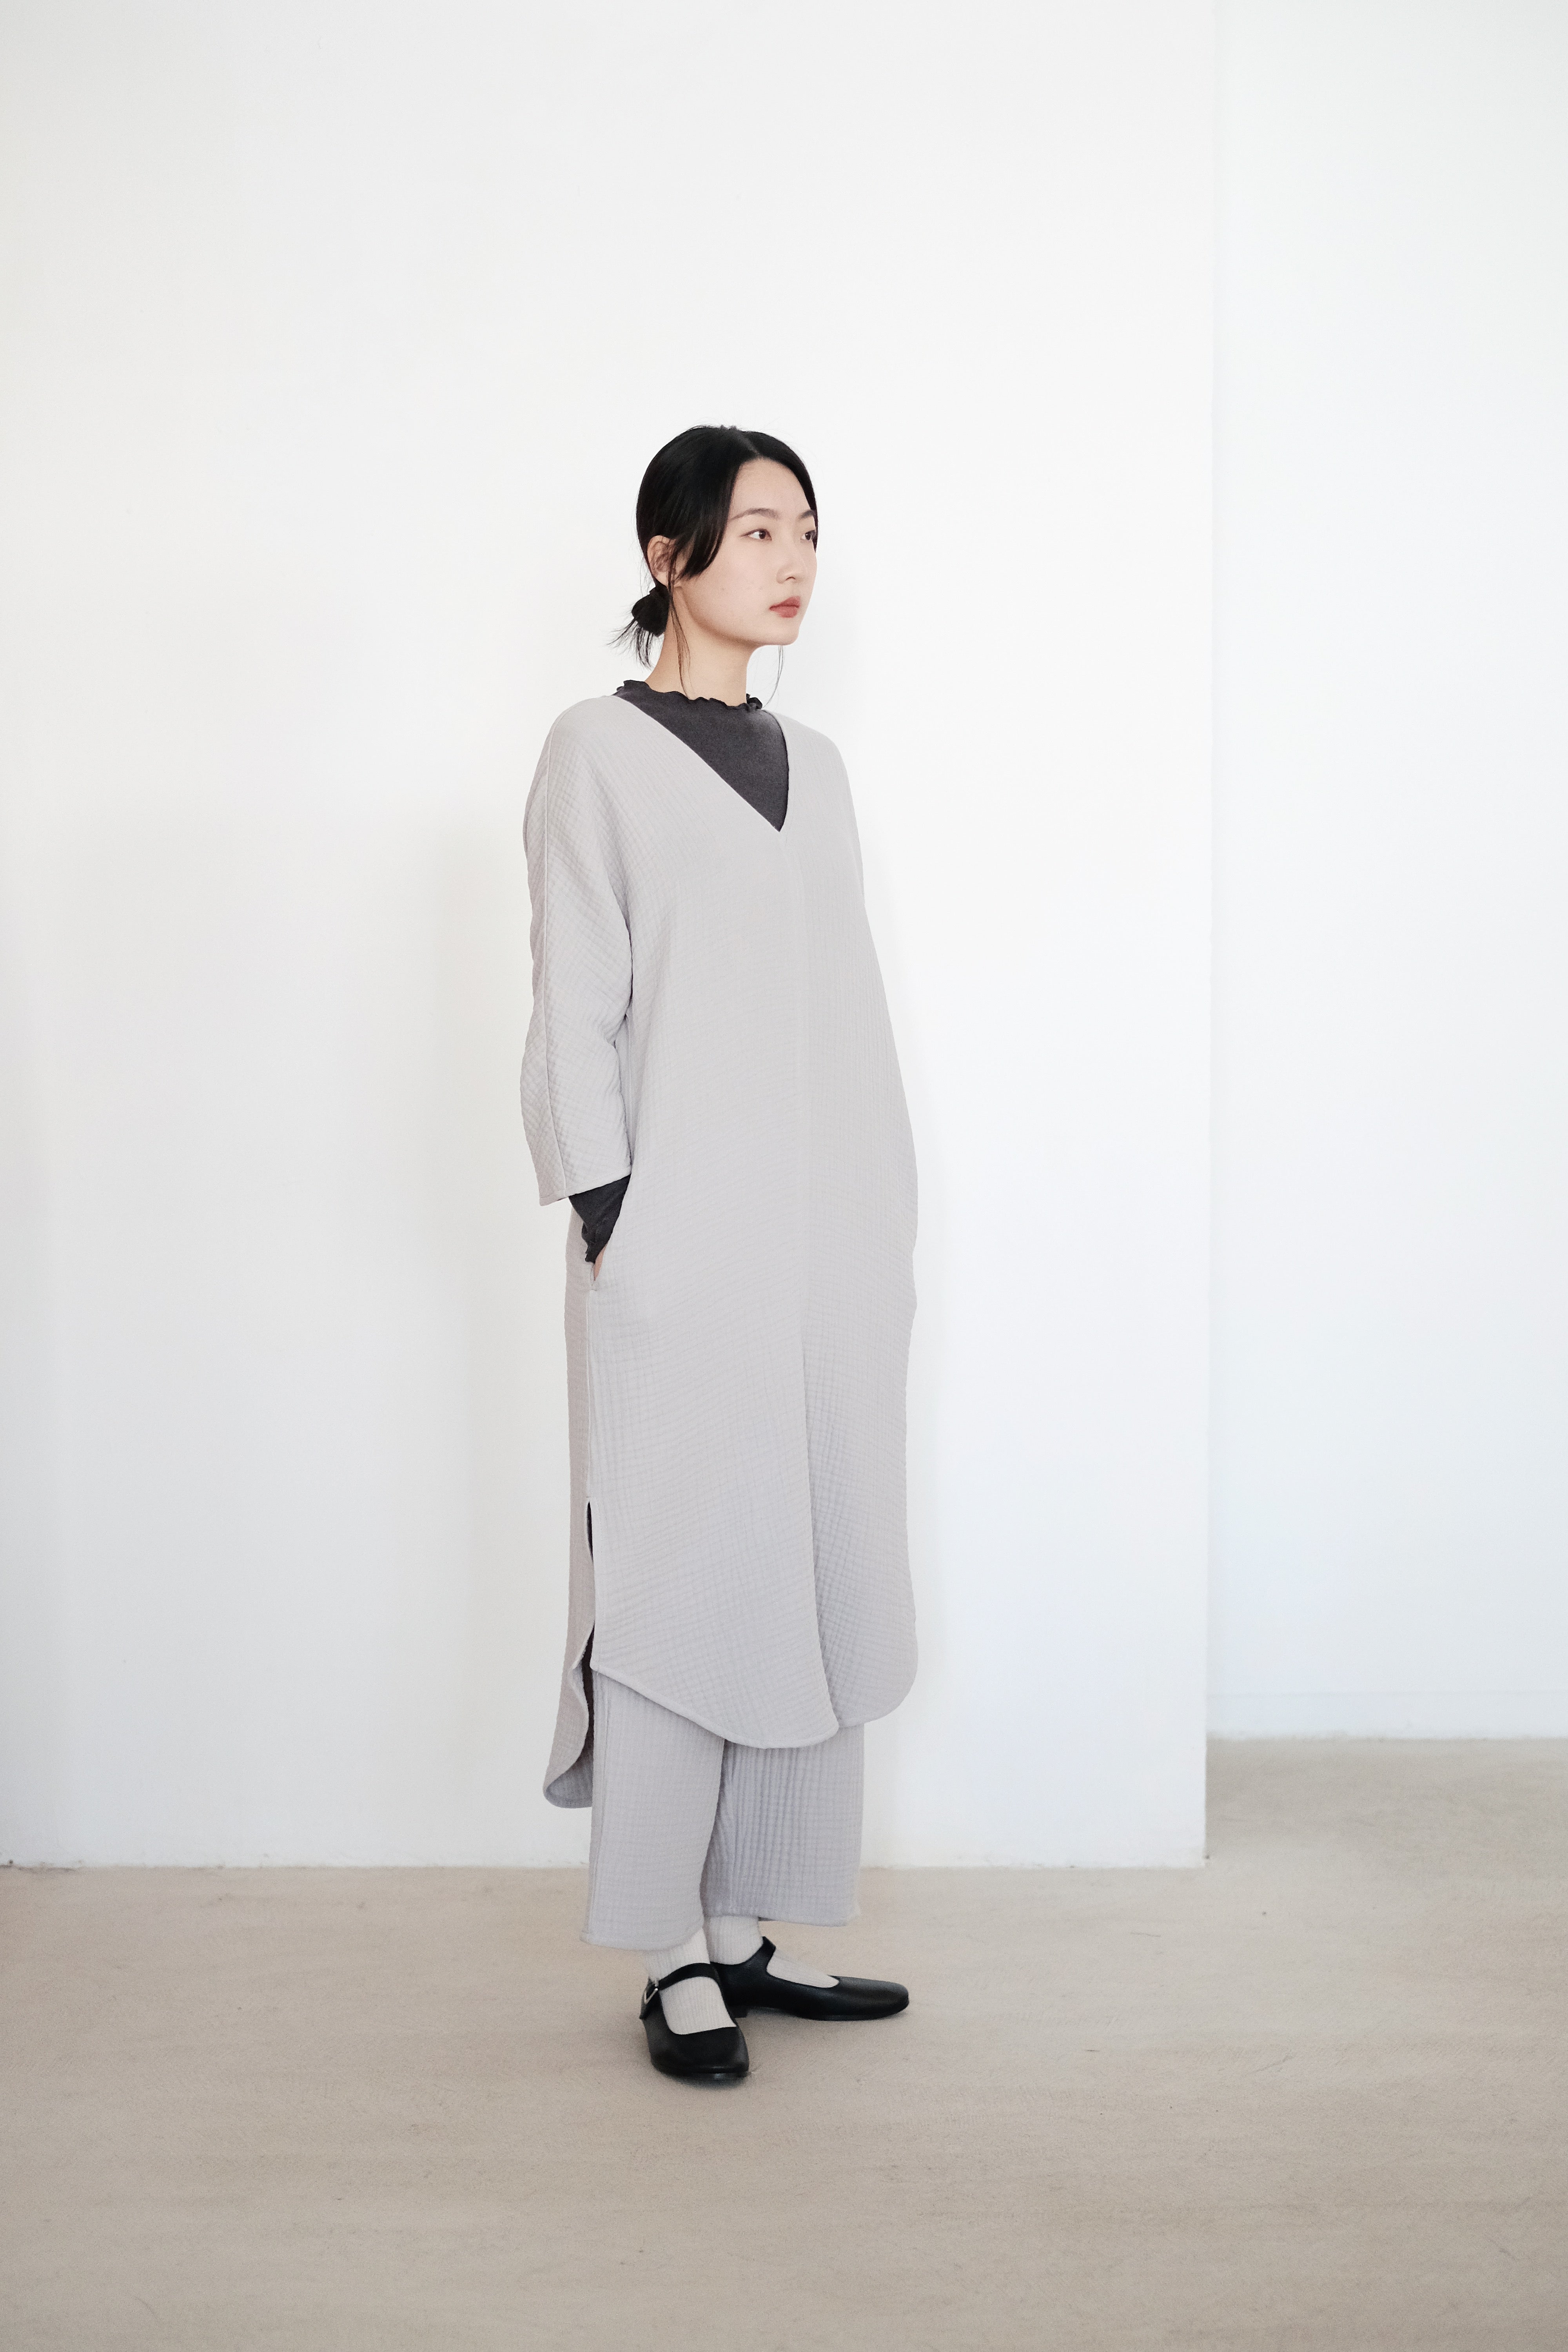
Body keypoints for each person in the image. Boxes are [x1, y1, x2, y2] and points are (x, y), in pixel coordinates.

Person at [519, 425, 918, 2085]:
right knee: (678, 1576)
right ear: (669, 555)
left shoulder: (815, 764)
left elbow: (842, 1011)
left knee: (806, 1558)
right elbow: (575, 997)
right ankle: (669, 1950)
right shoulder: (594, 752)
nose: (794, 559)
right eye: (758, 529)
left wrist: (886, 1218)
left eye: (806, 529)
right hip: (676, 1248)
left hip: (831, 1249)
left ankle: (747, 1927)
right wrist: (613, 1213)